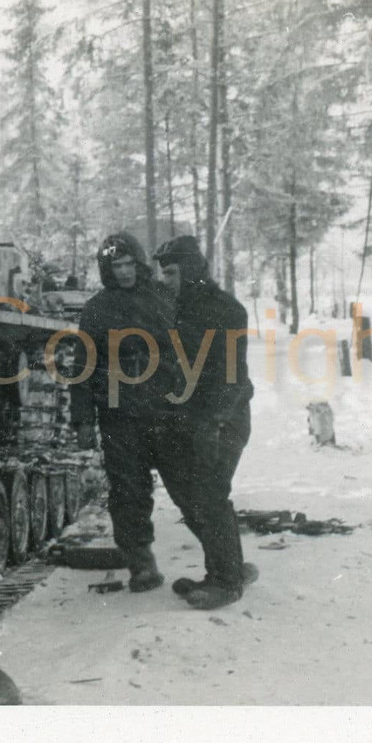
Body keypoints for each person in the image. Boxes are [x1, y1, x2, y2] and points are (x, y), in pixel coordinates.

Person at [152, 235, 257, 610]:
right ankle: (230, 565)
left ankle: (225, 580)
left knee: (210, 494)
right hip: (188, 417)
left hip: (223, 417)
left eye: (172, 272)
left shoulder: (227, 310)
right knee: (188, 495)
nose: (165, 279)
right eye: (162, 273)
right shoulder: (176, 306)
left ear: (192, 271)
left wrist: (212, 424)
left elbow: (233, 377)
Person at [70, 232, 176, 592]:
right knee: (128, 489)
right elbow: (83, 365)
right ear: (107, 269)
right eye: (117, 265)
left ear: (140, 263)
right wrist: (83, 418)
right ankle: (141, 562)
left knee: (190, 483)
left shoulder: (164, 297)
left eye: (130, 263)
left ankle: (221, 560)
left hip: (165, 407)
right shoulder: (97, 309)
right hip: (119, 412)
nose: (125, 271)